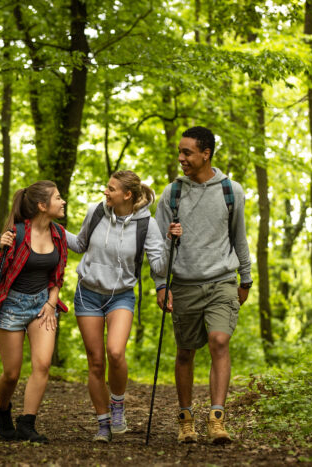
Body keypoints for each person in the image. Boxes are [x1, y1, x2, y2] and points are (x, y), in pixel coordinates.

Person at [153, 126, 252, 445]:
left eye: (187, 153)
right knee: (185, 352)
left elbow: (239, 237)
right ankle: (185, 420)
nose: (180, 158)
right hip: (183, 284)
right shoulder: (172, 193)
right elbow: (157, 246)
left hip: (222, 280)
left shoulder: (231, 190)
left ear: (206, 154)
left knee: (219, 340)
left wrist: (246, 277)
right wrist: (160, 284)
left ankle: (217, 419)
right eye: (180, 152)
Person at [66, 170, 181, 443]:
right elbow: (80, 244)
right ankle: (103, 423)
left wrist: (170, 241)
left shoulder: (147, 224)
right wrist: (51, 228)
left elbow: (159, 266)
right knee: (95, 362)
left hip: (121, 296)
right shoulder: (96, 211)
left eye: (111, 189)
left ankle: (117, 405)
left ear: (127, 195)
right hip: (88, 294)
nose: (105, 192)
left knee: (115, 352)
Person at [0, 180, 68, 444]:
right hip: (10, 305)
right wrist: (0, 248)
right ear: (43, 206)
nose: (63, 201)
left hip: (42, 306)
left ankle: (26, 423)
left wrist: (51, 302)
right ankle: (2, 410)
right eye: (58, 198)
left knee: (42, 365)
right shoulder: (15, 234)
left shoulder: (59, 234)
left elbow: (58, 276)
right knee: (11, 373)